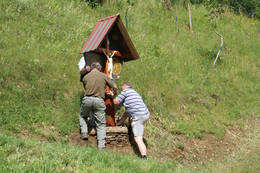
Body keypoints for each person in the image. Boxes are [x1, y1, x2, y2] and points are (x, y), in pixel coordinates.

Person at [79, 62, 117, 149]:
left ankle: (84, 132)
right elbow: (114, 86)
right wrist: (114, 93)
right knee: (100, 124)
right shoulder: (103, 76)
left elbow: (86, 87)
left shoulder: (86, 77)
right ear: (99, 68)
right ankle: (101, 146)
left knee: (82, 116)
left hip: (87, 99)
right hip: (99, 100)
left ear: (92, 68)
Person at [113, 82, 149, 159]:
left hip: (138, 116)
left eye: (122, 87)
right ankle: (131, 130)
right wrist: (118, 123)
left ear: (125, 86)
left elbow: (116, 102)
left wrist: (112, 94)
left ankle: (144, 157)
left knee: (138, 138)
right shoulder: (135, 93)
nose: (121, 89)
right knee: (130, 117)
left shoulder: (125, 91)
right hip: (145, 114)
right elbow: (127, 113)